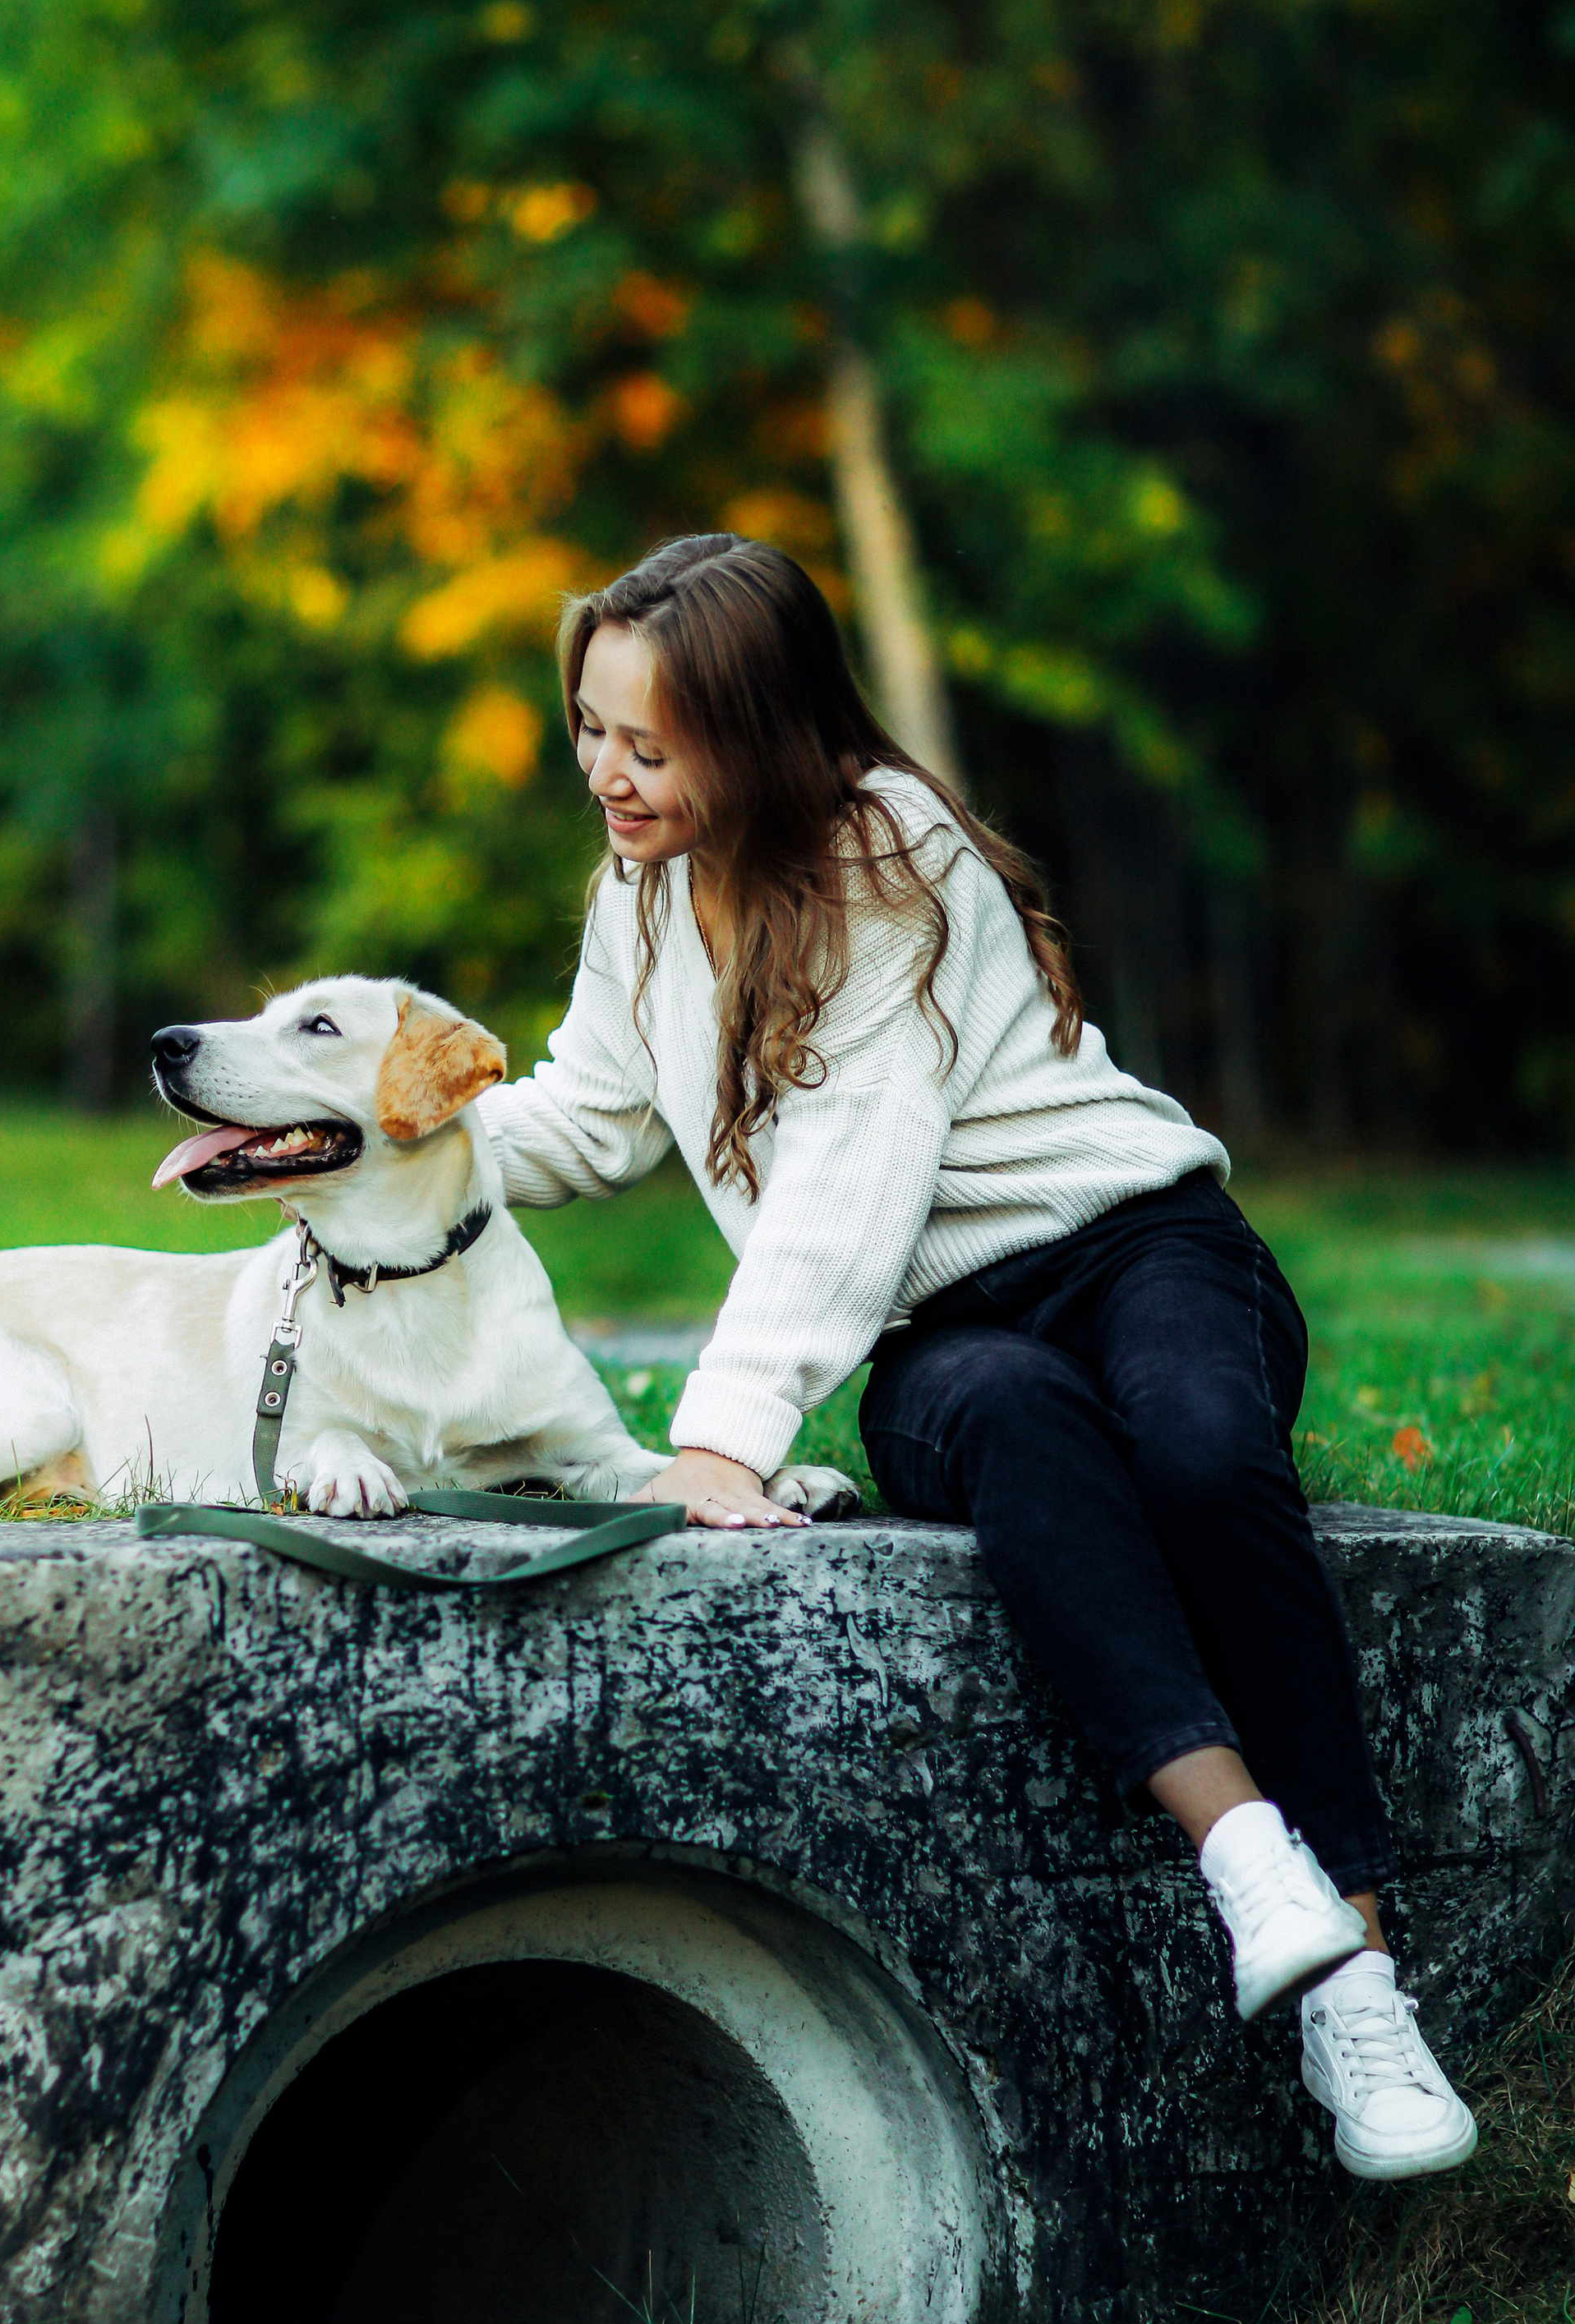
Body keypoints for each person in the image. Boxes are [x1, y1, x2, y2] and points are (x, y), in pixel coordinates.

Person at [474, 532, 1475, 2184]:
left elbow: (849, 1179)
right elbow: (582, 1113)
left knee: (1199, 1452)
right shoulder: (635, 897)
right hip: (945, 1340)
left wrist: (720, 1432)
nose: (605, 772)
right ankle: (1246, 1862)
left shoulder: (882, 851)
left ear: (758, 729)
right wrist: (377, 1138)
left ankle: (1354, 1980)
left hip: (1134, 1247)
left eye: (647, 744)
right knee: (1012, 1421)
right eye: (587, 728)